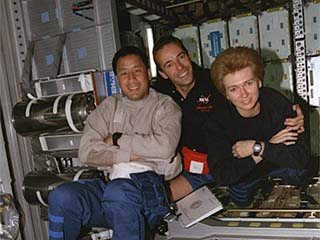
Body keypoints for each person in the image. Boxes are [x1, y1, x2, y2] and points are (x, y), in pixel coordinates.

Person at [47, 46, 182, 240]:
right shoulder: (110, 106)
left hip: (147, 195)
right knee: (61, 196)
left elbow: (165, 148)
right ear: (117, 79)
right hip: (108, 188)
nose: (132, 79)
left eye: (137, 70)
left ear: (148, 73)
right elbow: (86, 152)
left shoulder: (165, 107)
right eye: (124, 73)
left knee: (118, 192)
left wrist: (117, 140)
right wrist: (135, 153)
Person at [152, 35, 305, 202]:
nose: (179, 67)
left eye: (181, 57)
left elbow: (298, 153)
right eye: (169, 65)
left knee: (289, 175)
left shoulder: (215, 80)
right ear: (162, 73)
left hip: (242, 159)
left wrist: (296, 112)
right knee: (159, 200)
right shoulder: (160, 95)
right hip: (206, 163)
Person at [206, 46, 309, 206]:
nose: (244, 94)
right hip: (246, 175)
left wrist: (259, 147)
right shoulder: (218, 121)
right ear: (225, 93)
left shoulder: (275, 102)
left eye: (248, 83)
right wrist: (260, 152)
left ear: (259, 81)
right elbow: (222, 175)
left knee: (299, 173)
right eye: (234, 89)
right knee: (240, 200)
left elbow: (301, 156)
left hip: (277, 165)